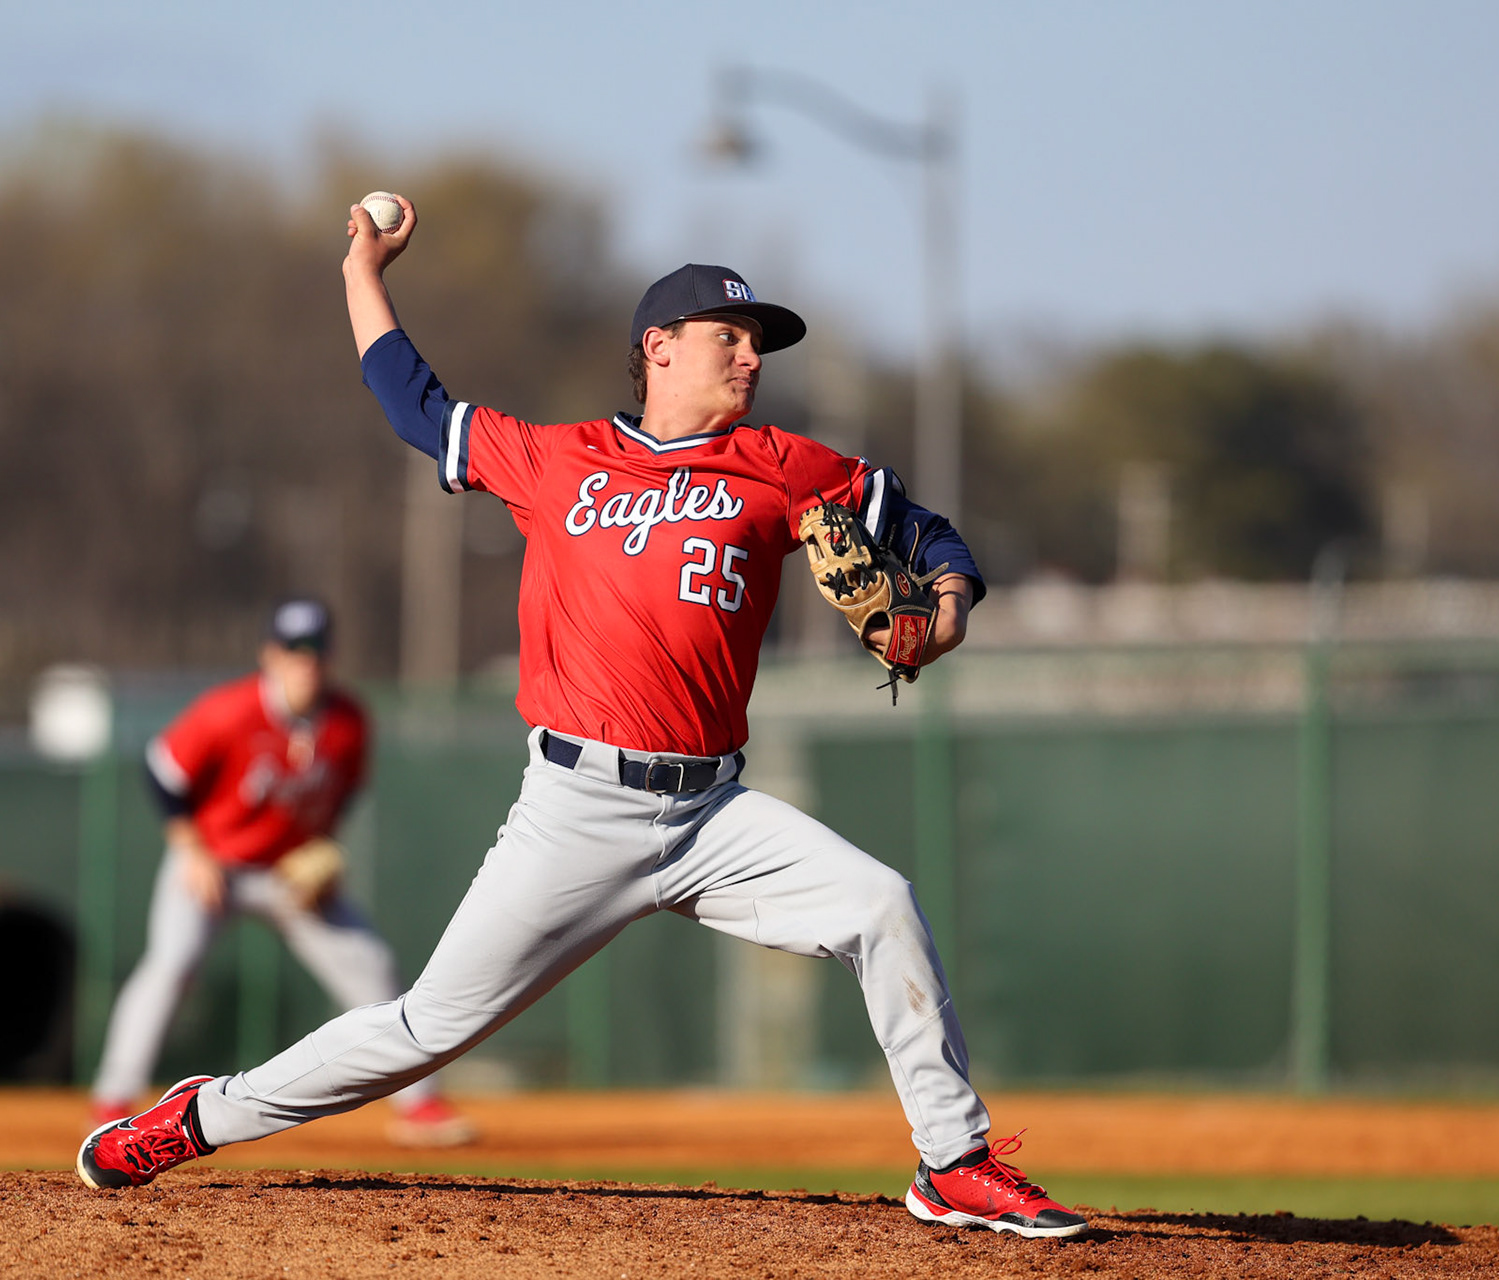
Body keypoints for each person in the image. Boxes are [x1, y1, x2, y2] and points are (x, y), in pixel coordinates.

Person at [79, 197, 1086, 1239]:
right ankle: (196, 1117)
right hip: (576, 808)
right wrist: (361, 274)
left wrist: (949, 602)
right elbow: (415, 405)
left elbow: (920, 524)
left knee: (882, 906)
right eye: (731, 336)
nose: (752, 357)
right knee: (424, 1029)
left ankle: (952, 1161)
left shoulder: (785, 466)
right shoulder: (557, 459)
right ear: (659, 347)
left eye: (759, 343)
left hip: (713, 812)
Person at [85, 598, 474, 1149]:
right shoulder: (230, 710)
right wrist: (191, 850)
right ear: (270, 655)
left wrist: (322, 851)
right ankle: (112, 1101)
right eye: (294, 650)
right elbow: (163, 773)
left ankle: (420, 1105)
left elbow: (343, 793)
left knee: (371, 967)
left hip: (289, 876)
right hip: (214, 865)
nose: (305, 662)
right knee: (170, 966)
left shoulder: (348, 721)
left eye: (315, 650)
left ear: (330, 656)